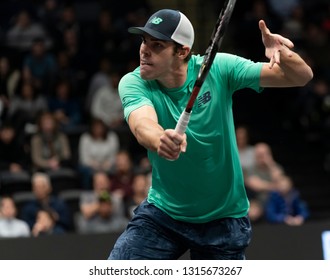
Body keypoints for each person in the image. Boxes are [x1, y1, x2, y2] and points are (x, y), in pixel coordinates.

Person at [108, 9, 313, 260]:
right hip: (164, 215)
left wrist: (283, 54)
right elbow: (142, 124)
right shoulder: (134, 82)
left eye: (157, 45)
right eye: (144, 41)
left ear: (182, 52)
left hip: (224, 222)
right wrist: (161, 139)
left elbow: (301, 76)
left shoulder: (219, 69)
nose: (144, 50)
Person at [244, 142, 290, 222]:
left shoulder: (275, 168)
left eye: (263, 154)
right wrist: (275, 186)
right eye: (258, 154)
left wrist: (270, 164)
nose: (261, 157)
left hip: (275, 201)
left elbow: (284, 186)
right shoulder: (250, 169)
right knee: (253, 213)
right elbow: (255, 185)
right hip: (257, 202)